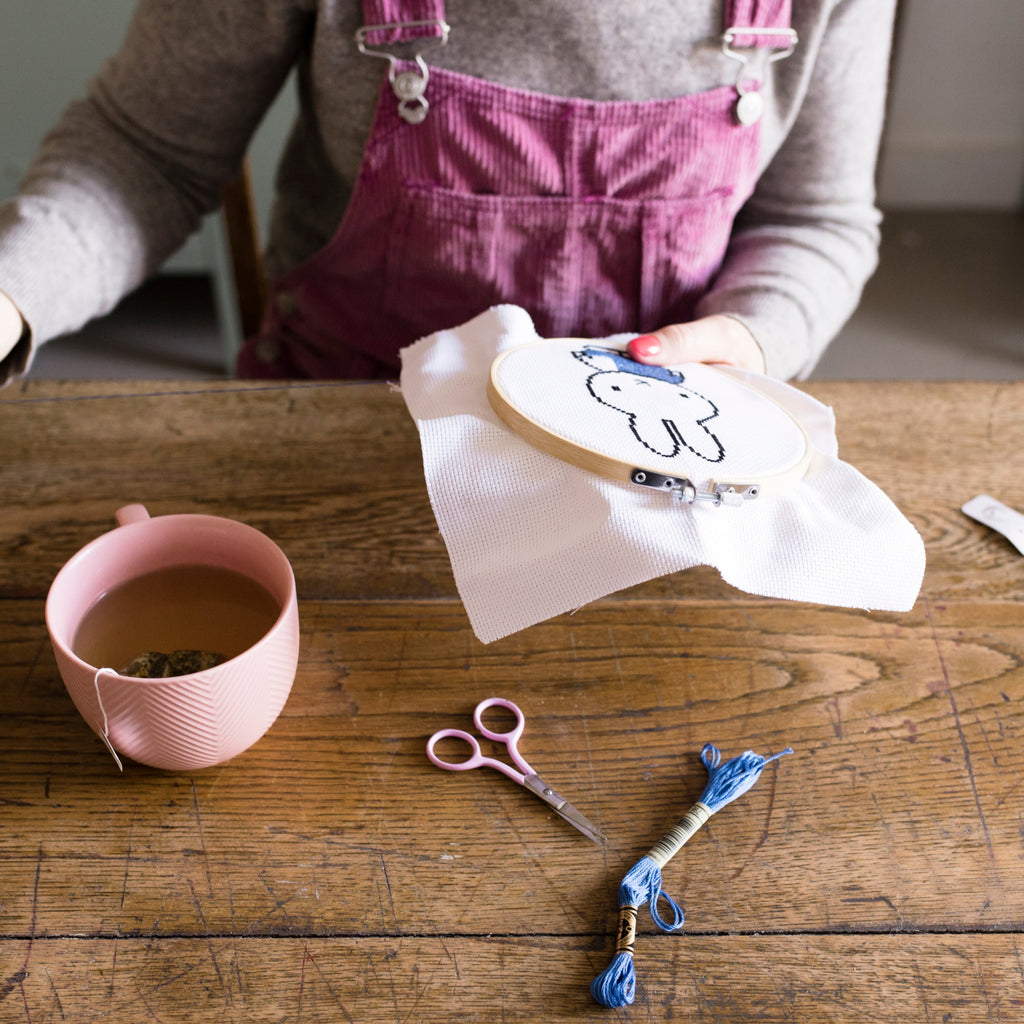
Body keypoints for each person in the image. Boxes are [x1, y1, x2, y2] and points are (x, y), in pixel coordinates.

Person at [0, 0, 896, 385]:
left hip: (654, 454)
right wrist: (11, 291)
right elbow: (145, 152)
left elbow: (814, 220)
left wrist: (756, 334)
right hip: (348, 414)